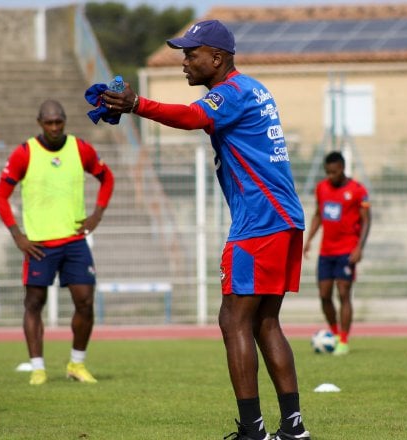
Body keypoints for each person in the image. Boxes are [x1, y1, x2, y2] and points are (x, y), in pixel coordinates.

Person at [102, 19, 311, 440]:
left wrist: (136, 104)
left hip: (260, 221)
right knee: (264, 322)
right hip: (283, 216)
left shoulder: (230, 92)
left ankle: (254, 431)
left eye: (191, 54)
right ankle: (293, 428)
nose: (184, 62)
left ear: (217, 58)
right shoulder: (252, 88)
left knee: (232, 319)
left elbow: (191, 116)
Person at [0, 99, 114, 386]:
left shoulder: (80, 148)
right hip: (39, 244)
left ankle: (77, 364)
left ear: (64, 121)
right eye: (49, 122)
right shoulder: (25, 153)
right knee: (34, 303)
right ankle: (38, 368)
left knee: (85, 302)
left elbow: (106, 177)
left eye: (59, 121)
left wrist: (97, 213)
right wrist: (18, 236)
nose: (55, 127)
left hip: (74, 241)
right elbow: (0, 195)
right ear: (40, 123)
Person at [303, 151, 371, 356]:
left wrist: (360, 247)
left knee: (343, 293)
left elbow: (367, 220)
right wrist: (309, 240)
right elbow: (318, 215)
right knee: (324, 295)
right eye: (327, 172)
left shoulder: (357, 191)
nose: (330, 176)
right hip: (327, 251)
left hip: (347, 251)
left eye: (333, 172)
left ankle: (343, 340)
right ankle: (332, 332)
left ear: (341, 169)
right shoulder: (321, 188)